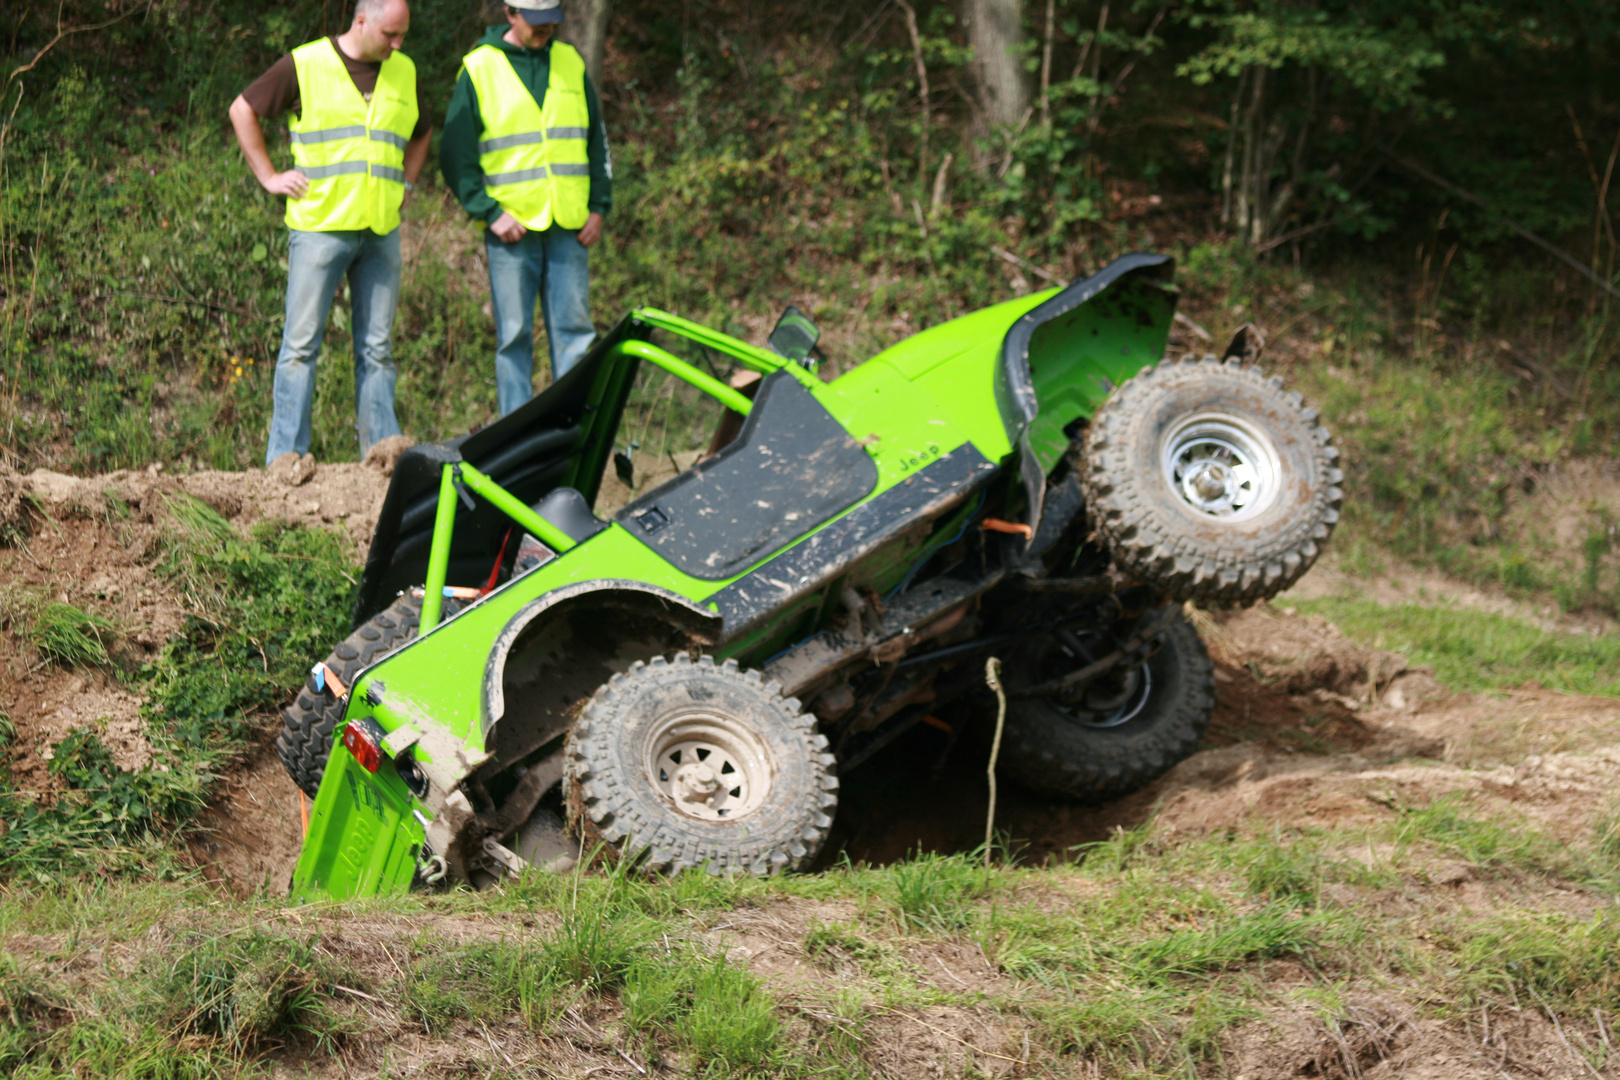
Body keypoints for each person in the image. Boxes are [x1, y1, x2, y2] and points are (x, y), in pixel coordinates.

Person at [228, 0, 432, 465]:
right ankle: (286, 458)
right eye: (391, 35)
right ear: (362, 21)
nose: (398, 45)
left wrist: (409, 181)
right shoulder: (306, 64)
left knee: (377, 350)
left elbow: (422, 131)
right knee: (301, 347)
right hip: (321, 228)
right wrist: (269, 177)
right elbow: (243, 109)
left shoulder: (403, 71)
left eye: (403, 36)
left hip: (380, 230)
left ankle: (382, 458)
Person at [440, 0, 613, 416]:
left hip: (570, 225)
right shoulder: (479, 68)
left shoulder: (570, 61)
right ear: (510, 14)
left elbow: (595, 139)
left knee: (576, 334)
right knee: (514, 338)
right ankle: (516, 433)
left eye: (551, 22)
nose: (545, 30)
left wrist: (598, 205)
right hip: (511, 229)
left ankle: (573, 428)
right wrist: (488, 211)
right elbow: (455, 154)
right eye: (536, 23)